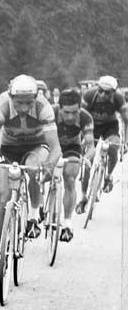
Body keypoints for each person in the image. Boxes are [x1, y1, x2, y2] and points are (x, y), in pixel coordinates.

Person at [0, 74, 60, 280]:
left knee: (33, 167)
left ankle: (34, 216)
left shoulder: (44, 107)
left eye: (29, 102)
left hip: (36, 146)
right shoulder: (3, 106)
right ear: (10, 97)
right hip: (9, 148)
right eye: (19, 103)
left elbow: (55, 148)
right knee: (4, 199)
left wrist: (49, 167)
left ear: (36, 97)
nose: (24, 107)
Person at [53, 88, 93, 241]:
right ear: (60, 107)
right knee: (42, 175)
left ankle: (67, 224)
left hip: (72, 148)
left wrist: (86, 157)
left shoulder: (85, 117)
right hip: (51, 146)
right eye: (66, 112)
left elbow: (90, 146)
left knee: (70, 179)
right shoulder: (51, 112)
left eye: (74, 112)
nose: (70, 117)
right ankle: (41, 204)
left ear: (80, 108)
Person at [78, 74, 127, 200]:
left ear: (114, 92)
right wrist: (79, 138)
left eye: (107, 93)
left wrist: (125, 142)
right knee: (89, 158)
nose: (103, 95)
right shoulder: (90, 95)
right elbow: (79, 118)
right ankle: (83, 195)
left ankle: (108, 176)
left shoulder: (118, 98)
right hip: (91, 125)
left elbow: (126, 120)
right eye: (100, 91)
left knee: (113, 148)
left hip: (110, 126)